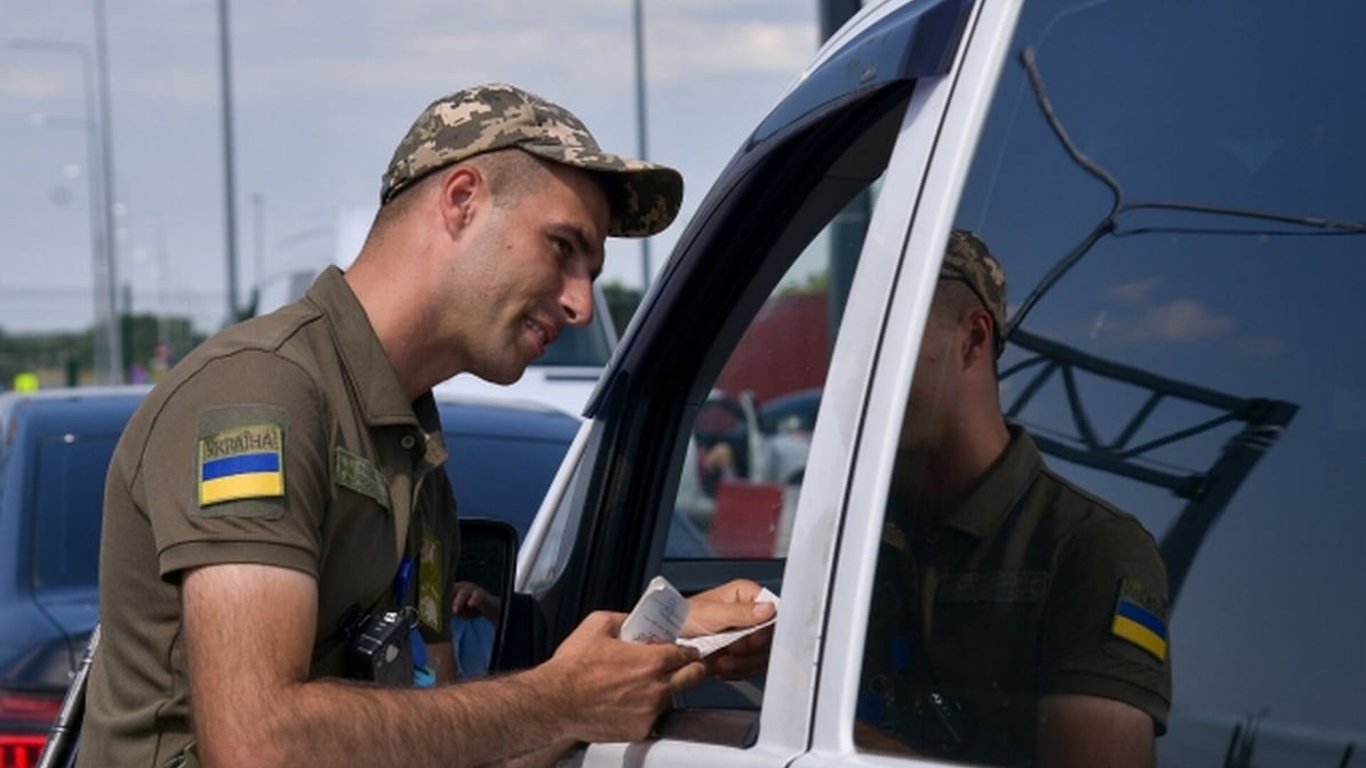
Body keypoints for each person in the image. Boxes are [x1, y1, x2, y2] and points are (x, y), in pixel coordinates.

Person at [79, 83, 774, 768]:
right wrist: (557, 700)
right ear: (463, 200)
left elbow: (445, 744)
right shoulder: (264, 393)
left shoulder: (413, 457)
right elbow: (259, 744)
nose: (581, 306)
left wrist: (654, 654)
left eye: (590, 272)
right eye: (563, 248)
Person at [856, 230, 1171, 767]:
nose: (859, 369)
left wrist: (845, 742)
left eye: (886, 335)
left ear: (972, 340)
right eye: (855, 343)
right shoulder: (854, 536)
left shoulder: (1090, 549)